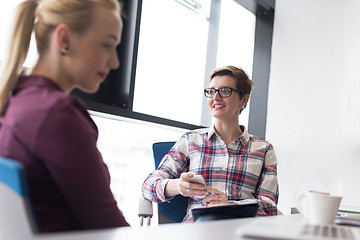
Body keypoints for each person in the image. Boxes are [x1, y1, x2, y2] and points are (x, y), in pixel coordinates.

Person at [0, 0, 130, 232]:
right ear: (65, 39)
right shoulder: (56, 114)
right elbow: (106, 225)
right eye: (106, 45)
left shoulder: (15, 101)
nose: (114, 62)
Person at [142, 65, 278, 222]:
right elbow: (148, 186)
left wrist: (229, 206)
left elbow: (270, 207)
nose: (216, 97)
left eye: (225, 91)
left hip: (243, 229)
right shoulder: (191, 140)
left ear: (244, 99)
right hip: (198, 230)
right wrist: (178, 185)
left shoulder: (263, 149)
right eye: (211, 91)